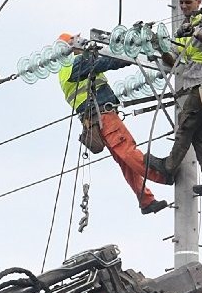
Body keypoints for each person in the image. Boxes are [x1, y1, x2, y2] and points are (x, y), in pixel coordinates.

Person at [56, 33, 170, 215]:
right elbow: (107, 62)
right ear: (68, 47)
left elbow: (102, 63)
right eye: (75, 41)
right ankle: (164, 175)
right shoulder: (73, 63)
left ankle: (146, 201)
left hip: (94, 119)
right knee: (127, 150)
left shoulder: (66, 68)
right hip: (102, 115)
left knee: (124, 160)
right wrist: (128, 52)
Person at [146, 0, 202, 195]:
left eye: (188, 2)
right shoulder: (183, 27)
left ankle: (168, 167)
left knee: (185, 126)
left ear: (198, 1)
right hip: (195, 82)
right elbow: (175, 59)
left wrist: (199, 33)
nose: (183, 6)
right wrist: (159, 47)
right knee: (198, 137)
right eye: (181, 2)